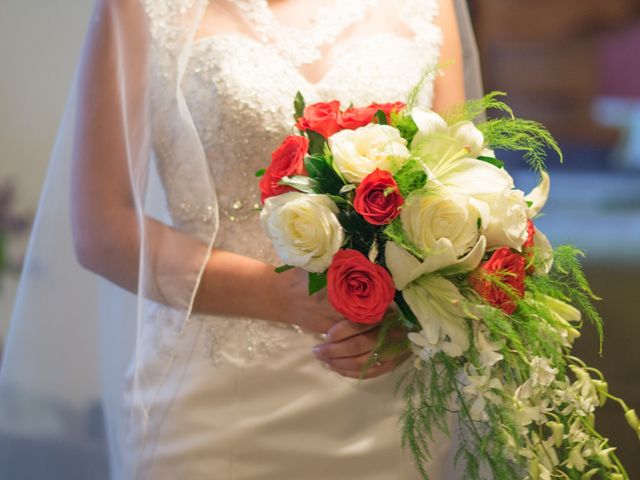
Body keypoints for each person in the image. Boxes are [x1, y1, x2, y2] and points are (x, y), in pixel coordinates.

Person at [0, 0, 483, 478]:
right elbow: (102, 230)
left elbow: (461, 195)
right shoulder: (143, 7)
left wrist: (413, 320)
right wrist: (278, 295)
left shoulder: (426, 7)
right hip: (216, 399)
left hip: (389, 398)